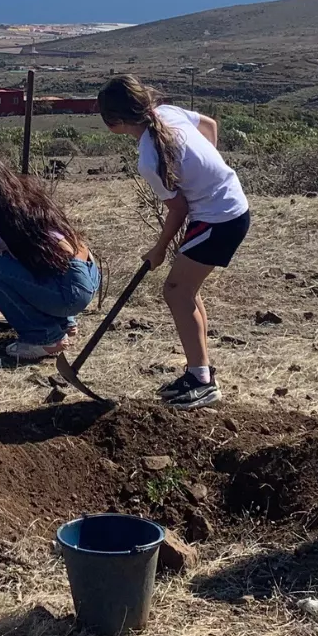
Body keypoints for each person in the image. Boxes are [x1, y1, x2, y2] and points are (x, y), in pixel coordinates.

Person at [98, 75, 250, 410]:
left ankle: (202, 382)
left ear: (114, 123)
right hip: (228, 206)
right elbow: (210, 125)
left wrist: (159, 249)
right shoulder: (167, 112)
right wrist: (207, 172)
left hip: (219, 218)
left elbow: (178, 209)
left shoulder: (148, 159)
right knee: (186, 290)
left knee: (176, 291)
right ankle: (201, 371)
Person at [0, 156, 100, 361]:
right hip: (89, 275)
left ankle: (44, 337)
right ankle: (65, 322)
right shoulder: (32, 200)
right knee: (21, 257)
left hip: (70, 292)